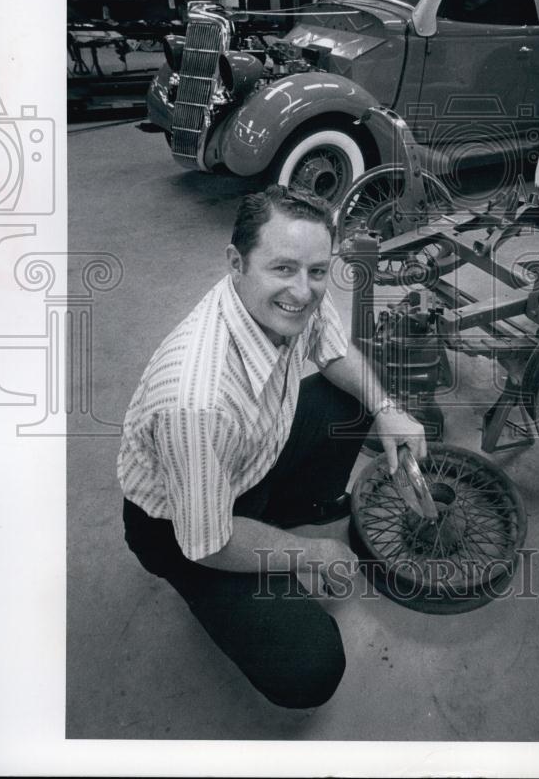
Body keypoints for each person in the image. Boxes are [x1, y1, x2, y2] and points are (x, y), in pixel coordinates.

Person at [118, 184, 426, 709]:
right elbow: (209, 542)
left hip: (247, 461)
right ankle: (222, 579)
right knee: (311, 666)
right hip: (185, 530)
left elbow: (331, 351)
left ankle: (286, 509)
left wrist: (388, 408)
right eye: (282, 269)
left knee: (352, 397)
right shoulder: (196, 400)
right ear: (236, 262)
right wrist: (313, 553)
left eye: (317, 271)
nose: (303, 291)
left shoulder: (295, 301)